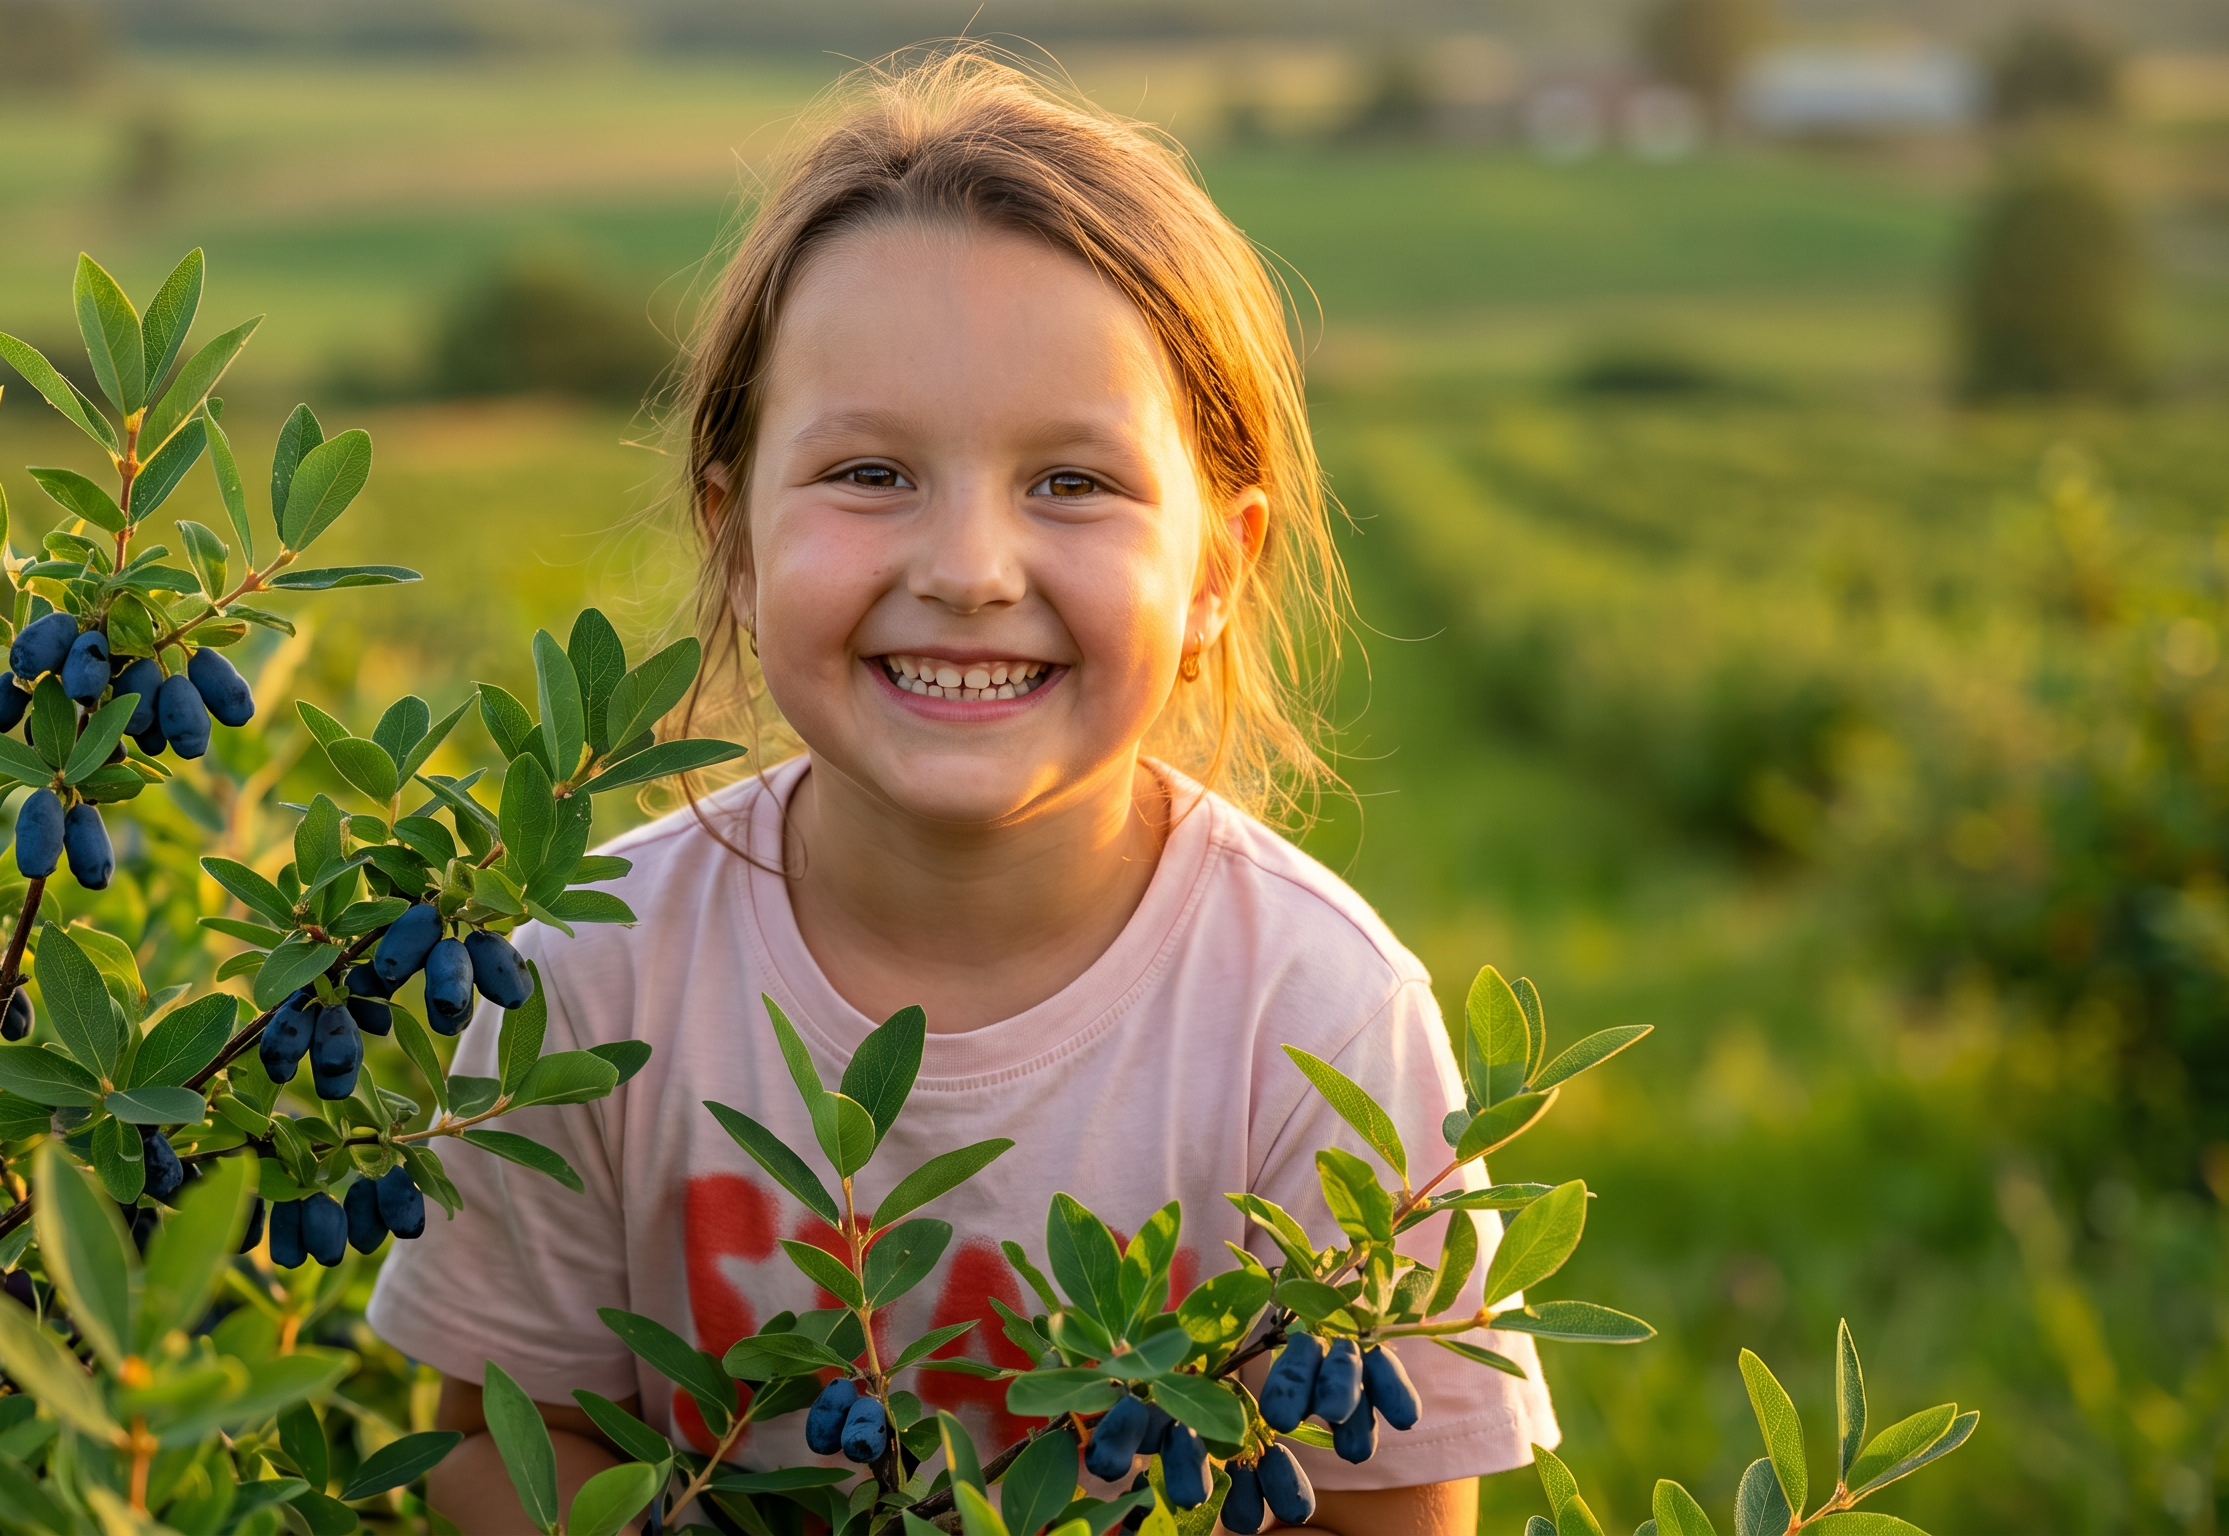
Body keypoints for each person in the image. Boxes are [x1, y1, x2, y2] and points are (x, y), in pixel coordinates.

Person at [368, 49, 1559, 1535]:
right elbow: (495, 1444)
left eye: (1072, 484)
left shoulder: (1315, 1016)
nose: (968, 569)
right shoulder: (589, 973)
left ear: (1216, 571)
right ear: (736, 536)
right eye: (870, 472)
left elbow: (1394, 1509)